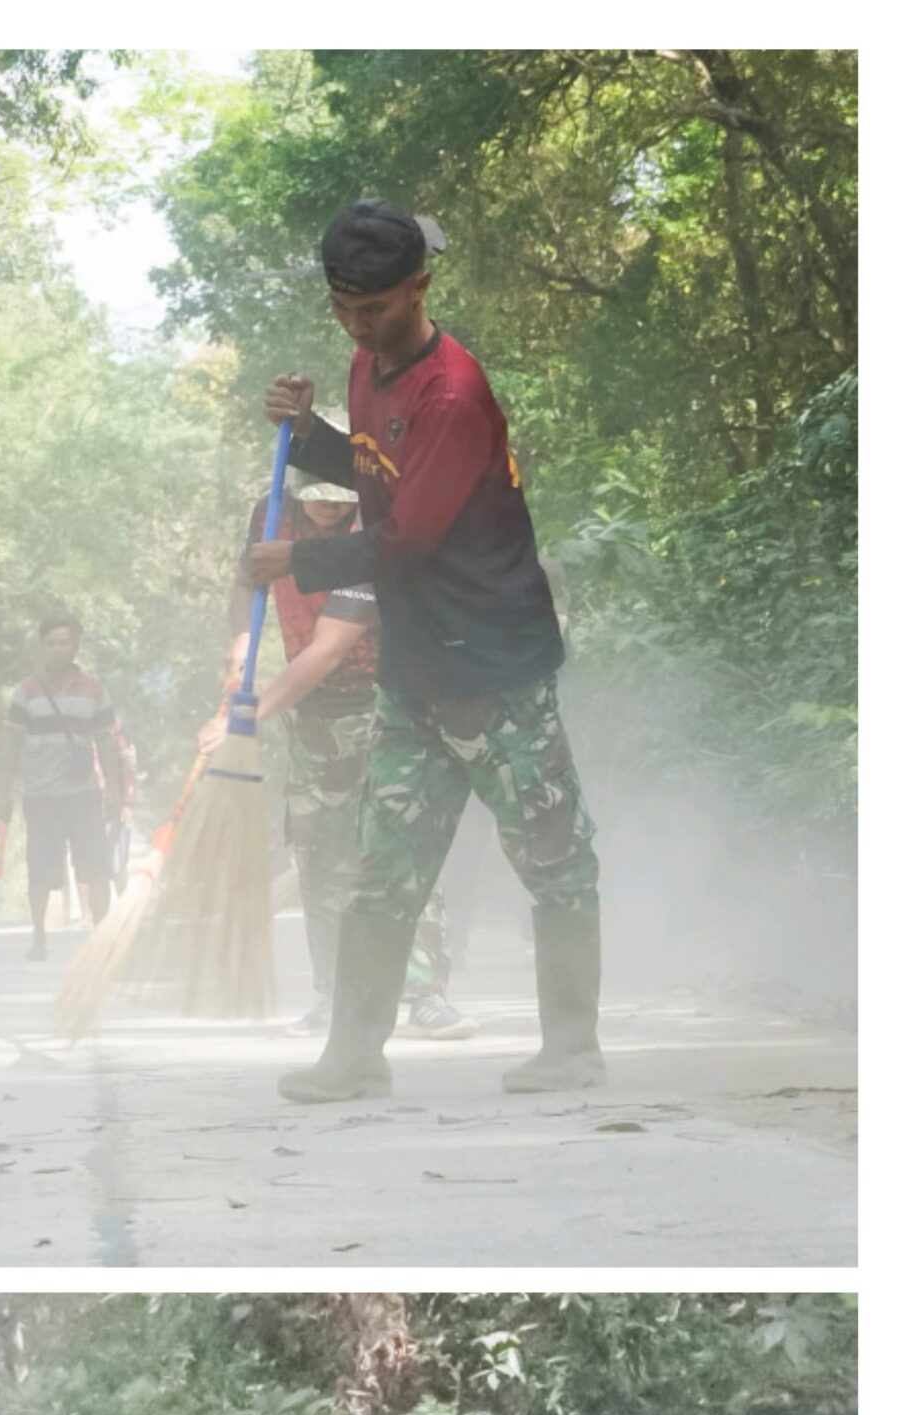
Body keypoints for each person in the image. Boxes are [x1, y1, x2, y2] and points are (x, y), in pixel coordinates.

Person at [242, 202, 604, 1101]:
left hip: (496, 667)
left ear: (419, 287)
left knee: (554, 860)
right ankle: (353, 1057)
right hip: (414, 672)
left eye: (373, 308)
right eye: (341, 308)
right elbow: (375, 470)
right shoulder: (370, 368)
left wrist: (299, 558)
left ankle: (572, 1047)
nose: (357, 326)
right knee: (380, 869)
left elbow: (406, 535)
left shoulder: (454, 391)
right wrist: (312, 432)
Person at [247, 446, 469, 1042]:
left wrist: (250, 713)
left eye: (338, 499)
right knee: (319, 853)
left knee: (401, 841)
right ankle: (334, 993)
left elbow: (328, 648)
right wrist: (232, 659)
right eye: (315, 499)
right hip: (312, 716)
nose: (327, 512)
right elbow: (248, 588)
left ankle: (424, 993)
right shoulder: (269, 516)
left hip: (390, 704)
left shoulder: (377, 532)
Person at [0, 610, 125, 957]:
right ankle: (38, 936)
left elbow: (107, 741)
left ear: (76, 645)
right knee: (40, 870)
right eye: (51, 643)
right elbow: (11, 744)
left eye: (64, 642)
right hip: (40, 797)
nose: (58, 649)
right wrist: (3, 791)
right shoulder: (26, 692)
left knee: (96, 868)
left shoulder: (94, 690)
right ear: (42, 647)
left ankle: (101, 937)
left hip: (84, 795)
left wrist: (114, 790)